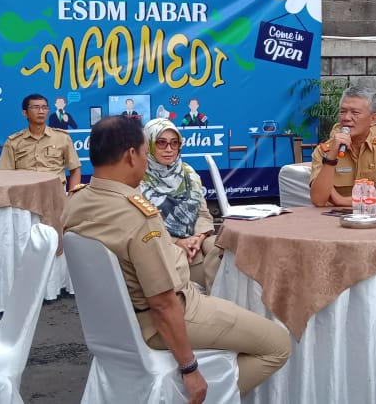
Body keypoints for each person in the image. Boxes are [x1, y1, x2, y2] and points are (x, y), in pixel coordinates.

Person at [63, 117, 291, 401]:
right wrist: (190, 368)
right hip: (166, 317)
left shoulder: (75, 202)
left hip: (115, 322)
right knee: (279, 344)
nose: (147, 163)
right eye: (147, 153)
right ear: (131, 155)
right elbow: (163, 304)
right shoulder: (137, 216)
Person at [140, 118, 221, 291]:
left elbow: (203, 214)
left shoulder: (189, 174)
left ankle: (220, 304)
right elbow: (140, 226)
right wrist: (177, 241)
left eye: (174, 143)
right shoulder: (138, 178)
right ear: (148, 144)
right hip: (160, 246)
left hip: (194, 242)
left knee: (220, 248)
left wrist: (198, 238)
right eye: (161, 143)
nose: (169, 149)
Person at [309, 85, 376, 208]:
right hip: (334, 220)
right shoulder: (324, 151)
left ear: (373, 119)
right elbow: (318, 200)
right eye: (342, 112)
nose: (346, 118)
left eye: (355, 113)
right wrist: (331, 158)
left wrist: (341, 201)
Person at [0, 93, 81, 190]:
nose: (41, 111)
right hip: (23, 194)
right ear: (25, 113)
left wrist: (72, 195)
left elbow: (75, 169)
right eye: (35, 107)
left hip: (55, 193)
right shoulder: (14, 141)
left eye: (44, 108)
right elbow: (3, 175)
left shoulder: (62, 138)